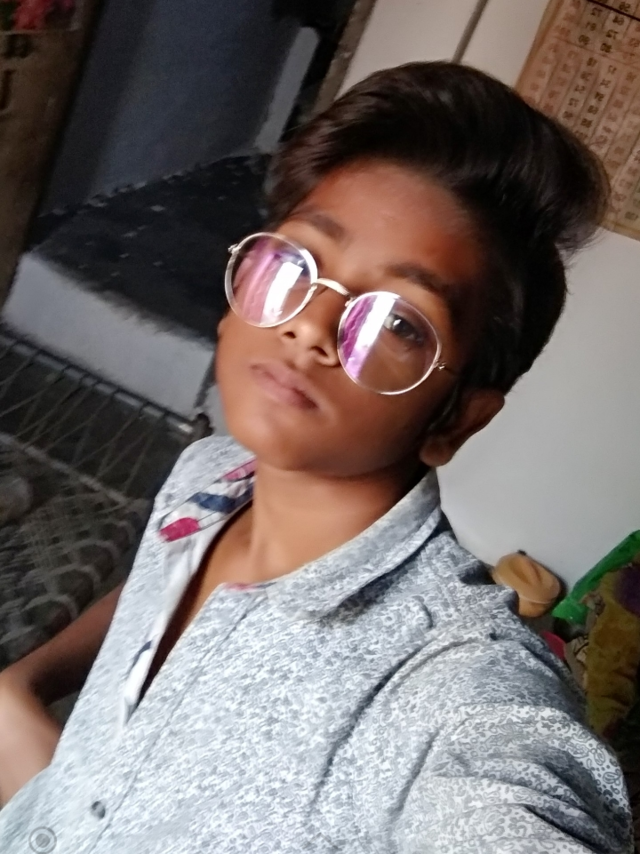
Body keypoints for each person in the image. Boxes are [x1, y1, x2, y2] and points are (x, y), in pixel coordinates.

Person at [0, 62, 632, 853]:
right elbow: (166, 572)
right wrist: (28, 680)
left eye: (399, 322)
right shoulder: (212, 475)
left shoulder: (451, 692)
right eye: (299, 263)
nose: (311, 325)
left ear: (457, 419)